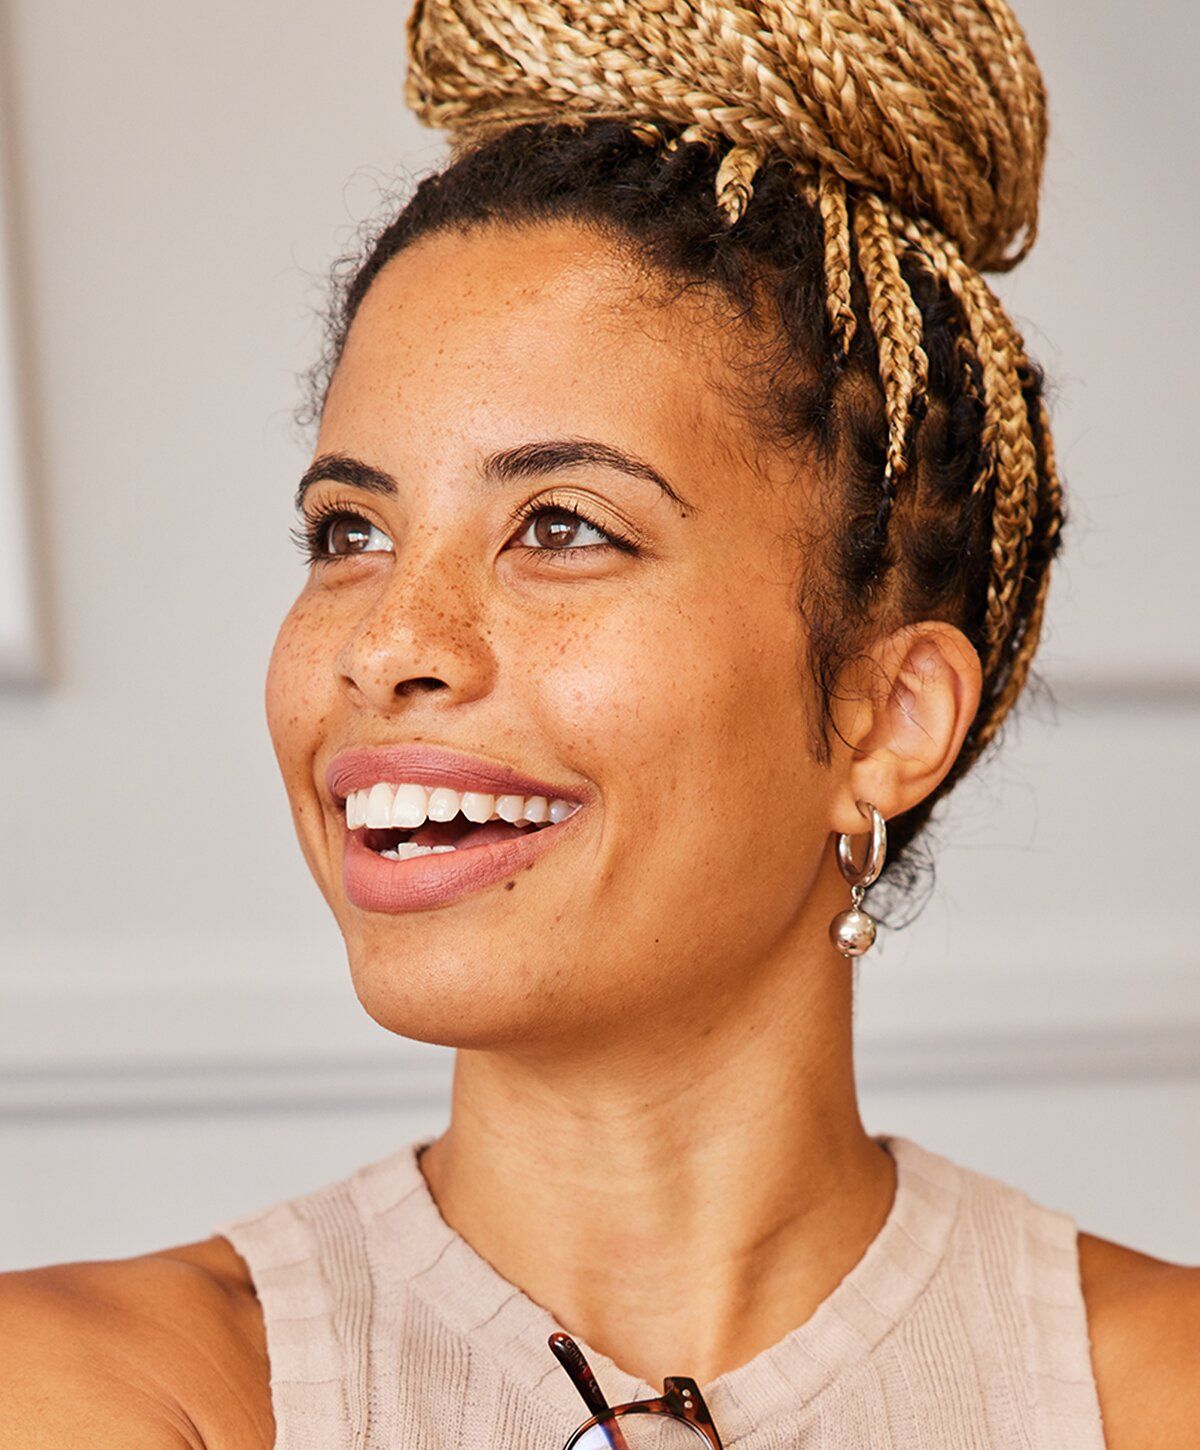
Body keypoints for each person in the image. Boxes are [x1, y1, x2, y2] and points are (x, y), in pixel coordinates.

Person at [2, 1, 1198, 1446]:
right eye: (349, 530)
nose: (388, 643)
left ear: (887, 713)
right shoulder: (93, 1390)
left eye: (561, 525)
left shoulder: (1155, 1389)